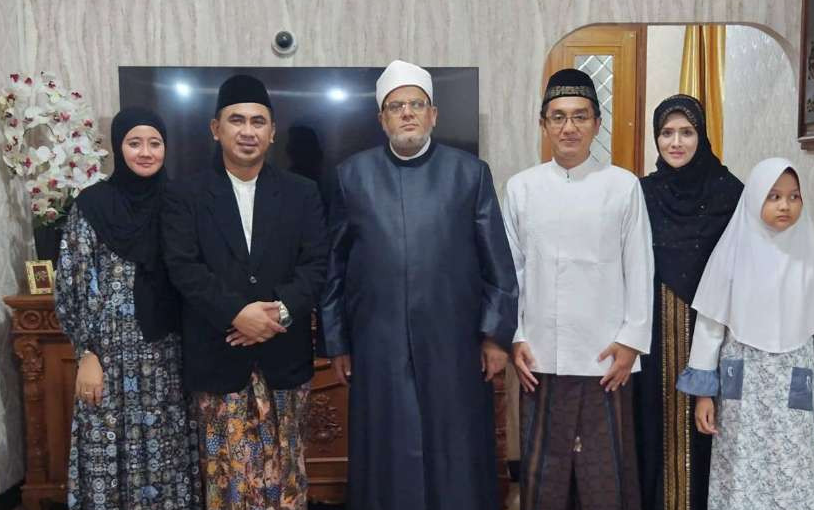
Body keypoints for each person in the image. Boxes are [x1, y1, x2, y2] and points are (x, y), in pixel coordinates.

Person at [320, 59, 518, 510]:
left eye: (416, 104)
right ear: (381, 118)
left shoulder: (470, 173)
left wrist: (494, 337)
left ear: (433, 114)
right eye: (396, 106)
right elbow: (334, 266)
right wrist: (337, 342)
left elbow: (498, 265)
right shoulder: (352, 176)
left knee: (457, 450)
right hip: (377, 342)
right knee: (386, 452)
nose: (407, 113)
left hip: (455, 343)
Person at [632, 95, 814, 510]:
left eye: (687, 131)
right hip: (667, 332)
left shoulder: (733, 194)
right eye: (666, 132)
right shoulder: (642, 194)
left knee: (759, 456)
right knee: (668, 430)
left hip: (755, 354)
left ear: (704, 135)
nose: (676, 142)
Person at [161, 75, 328, 510]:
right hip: (219, 356)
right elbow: (183, 266)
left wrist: (278, 316)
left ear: (273, 132)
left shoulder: (302, 192)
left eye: (258, 121)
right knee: (228, 478)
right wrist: (237, 313)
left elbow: (316, 264)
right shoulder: (185, 194)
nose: (248, 131)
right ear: (215, 128)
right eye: (237, 120)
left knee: (286, 473)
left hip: (285, 357)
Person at [506, 68, 653, 510]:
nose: (569, 127)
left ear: (596, 123)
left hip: (605, 356)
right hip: (539, 354)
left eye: (580, 116)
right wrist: (515, 338)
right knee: (542, 470)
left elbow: (640, 268)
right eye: (558, 117)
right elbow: (510, 271)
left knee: (604, 470)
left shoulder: (623, 186)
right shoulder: (521, 187)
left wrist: (631, 342)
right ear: (543, 123)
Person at [676, 158, 814, 510]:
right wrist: (704, 395)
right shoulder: (731, 256)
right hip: (742, 394)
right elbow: (710, 329)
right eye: (773, 196)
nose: (785, 205)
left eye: (793, 196)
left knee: (796, 470)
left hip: (796, 391)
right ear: (754, 199)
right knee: (742, 472)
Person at [55, 107, 201, 509]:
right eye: (134, 143)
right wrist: (86, 352)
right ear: (118, 148)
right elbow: (72, 284)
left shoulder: (179, 202)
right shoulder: (92, 204)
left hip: (168, 356)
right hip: (109, 356)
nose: (146, 152)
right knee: (107, 451)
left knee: (167, 451)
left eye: (155, 143)